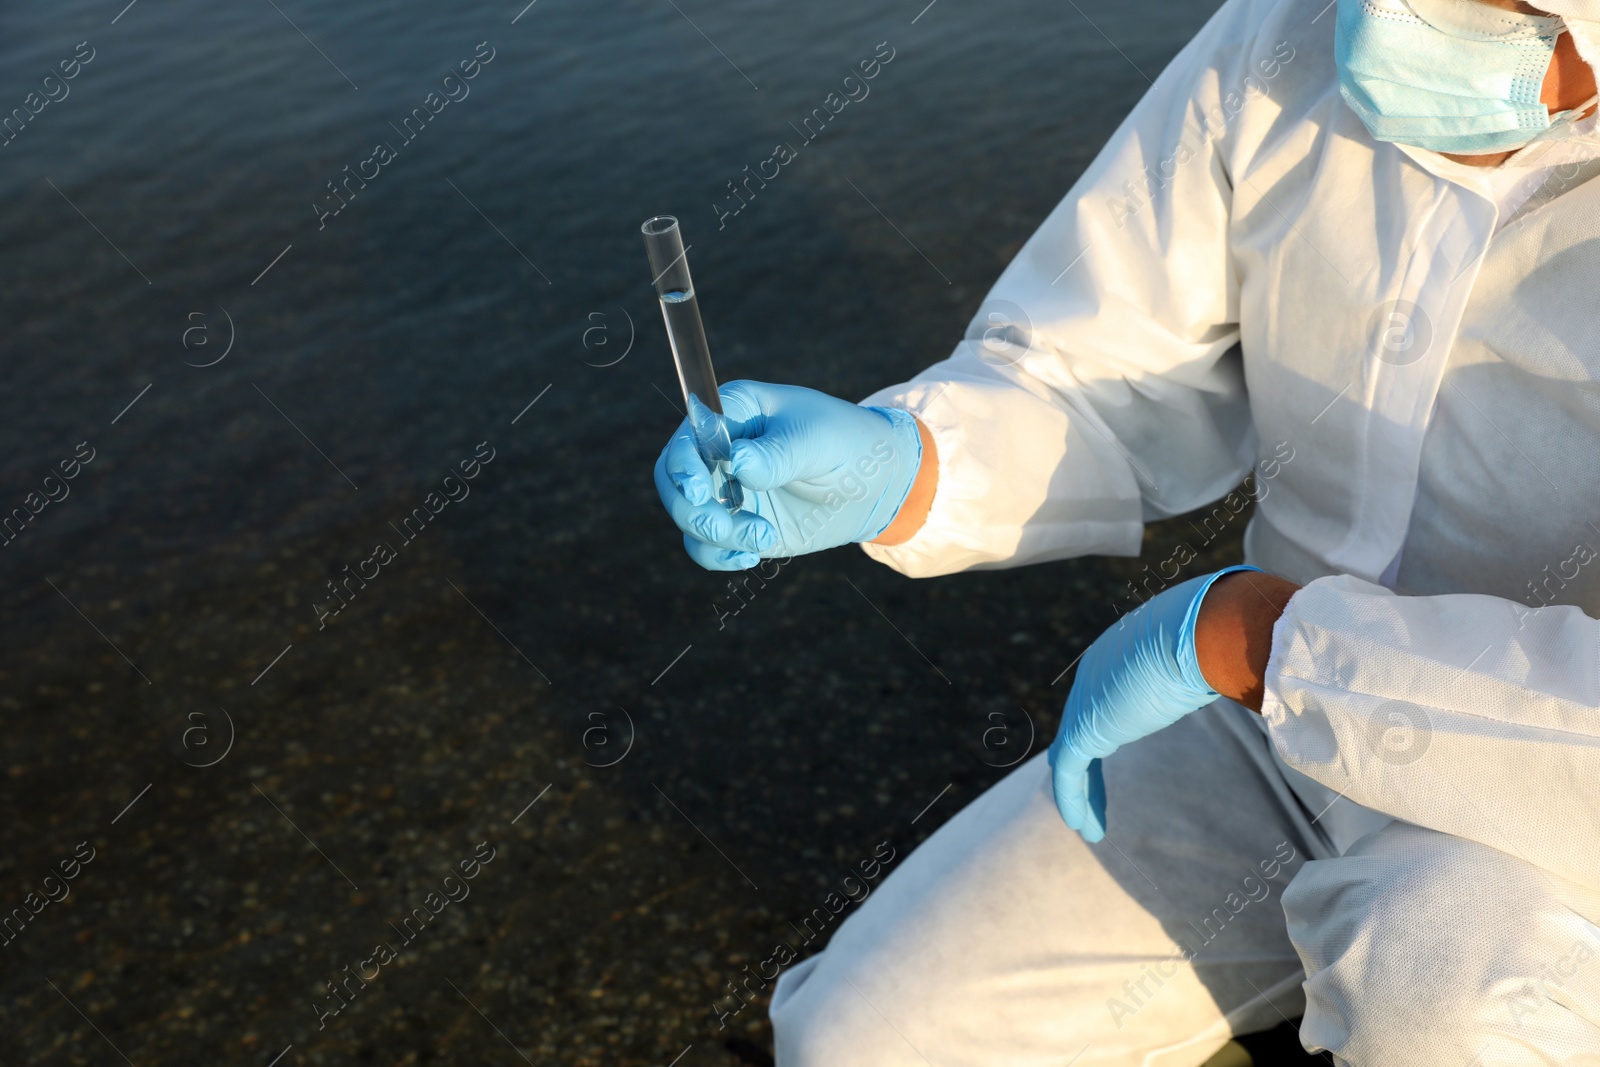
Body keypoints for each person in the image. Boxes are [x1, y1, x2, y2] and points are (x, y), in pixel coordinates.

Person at [653, 0, 1600, 1061]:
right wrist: (906, 466)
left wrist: (1251, 635)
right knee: (860, 1036)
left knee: (1450, 1014)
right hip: (1256, 719)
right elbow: (1102, 353)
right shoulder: (1285, 35)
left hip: (1541, 803)